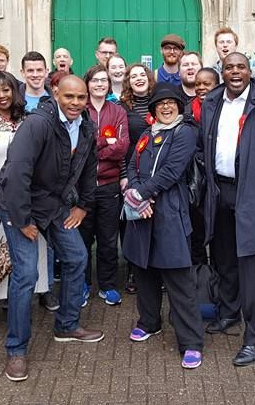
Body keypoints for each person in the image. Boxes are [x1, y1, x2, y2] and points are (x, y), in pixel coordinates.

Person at [0, 76, 105, 383]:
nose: (75, 103)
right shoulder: (38, 124)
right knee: (27, 274)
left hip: (54, 204)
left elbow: (88, 168)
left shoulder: (86, 127)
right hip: (19, 205)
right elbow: (17, 171)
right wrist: (22, 220)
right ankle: (16, 349)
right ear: (56, 93)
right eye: (69, 96)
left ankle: (67, 325)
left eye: (81, 98)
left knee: (77, 257)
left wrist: (83, 205)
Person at [201, 52, 255, 367]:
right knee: (223, 260)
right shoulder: (212, 102)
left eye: (241, 67)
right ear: (222, 72)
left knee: (251, 269)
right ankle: (228, 313)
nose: (235, 72)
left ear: (249, 71)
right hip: (219, 193)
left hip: (253, 195)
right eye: (229, 67)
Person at [123, 83, 203, 369]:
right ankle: (149, 322)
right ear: (154, 109)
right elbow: (132, 164)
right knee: (144, 270)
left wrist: (141, 194)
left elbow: (172, 170)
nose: (166, 107)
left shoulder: (185, 133)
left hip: (170, 212)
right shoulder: (147, 134)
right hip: (141, 213)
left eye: (171, 103)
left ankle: (191, 341)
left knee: (178, 278)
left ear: (179, 107)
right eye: (160, 104)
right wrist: (133, 191)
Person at [0, 72, 56, 329]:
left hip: (28, 202)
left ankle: (20, 308)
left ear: (15, 91)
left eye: (6, 90)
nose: (1, 96)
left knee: (26, 261)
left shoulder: (29, 120)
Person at [80, 65, 129, 306]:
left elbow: (122, 146)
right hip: (83, 186)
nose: (99, 84)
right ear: (87, 83)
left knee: (109, 240)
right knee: (83, 238)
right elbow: (79, 147)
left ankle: (108, 285)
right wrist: (103, 142)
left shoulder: (117, 111)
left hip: (109, 186)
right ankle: (83, 284)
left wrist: (94, 146)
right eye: (95, 80)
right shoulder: (80, 110)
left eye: (104, 80)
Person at [119, 64, 157, 294]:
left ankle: (155, 268)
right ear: (128, 82)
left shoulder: (159, 100)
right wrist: (124, 174)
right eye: (133, 76)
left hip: (156, 169)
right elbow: (122, 144)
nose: (139, 79)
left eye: (142, 75)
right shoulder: (122, 106)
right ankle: (134, 269)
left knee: (154, 218)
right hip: (133, 169)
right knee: (133, 220)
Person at [184, 67, 219, 266]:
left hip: (218, 178)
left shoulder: (224, 108)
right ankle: (199, 274)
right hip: (195, 179)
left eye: (207, 84)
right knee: (196, 229)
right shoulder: (187, 109)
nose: (201, 87)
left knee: (219, 232)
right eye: (198, 84)